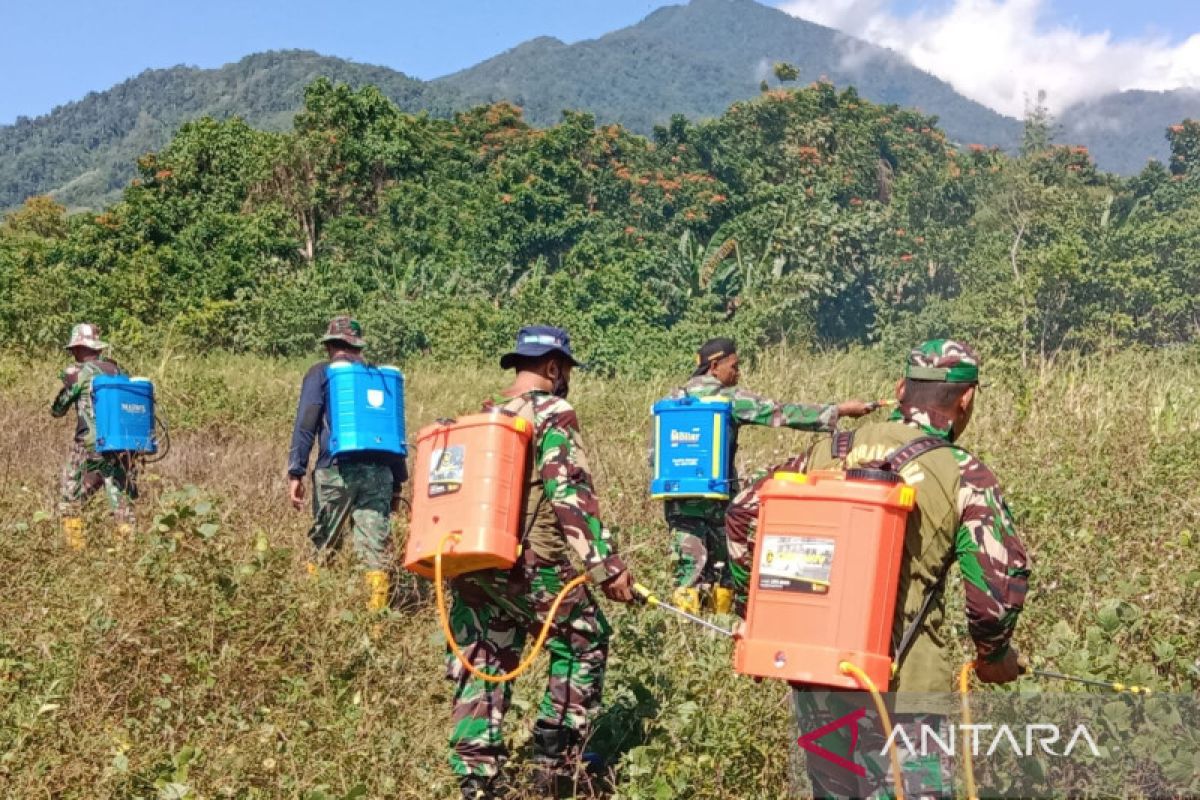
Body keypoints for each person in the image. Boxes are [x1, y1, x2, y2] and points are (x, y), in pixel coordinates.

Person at [725, 339, 1030, 798]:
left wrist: (758, 613)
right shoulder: (962, 472)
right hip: (906, 693)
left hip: (820, 684)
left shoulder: (829, 450)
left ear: (900, 388)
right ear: (966, 399)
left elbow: (744, 511)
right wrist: (993, 656)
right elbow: (994, 593)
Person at [446, 325, 636, 800]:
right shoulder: (553, 411)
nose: (566, 378)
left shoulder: (484, 417)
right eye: (565, 369)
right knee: (586, 638)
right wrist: (605, 565)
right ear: (553, 367)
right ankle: (554, 763)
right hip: (531, 562)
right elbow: (567, 491)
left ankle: (476, 779)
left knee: (483, 654)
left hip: (471, 560)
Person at [661, 337, 872, 614]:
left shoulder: (672, 401)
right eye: (734, 366)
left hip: (678, 499)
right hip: (716, 500)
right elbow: (781, 412)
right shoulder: (728, 399)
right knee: (722, 574)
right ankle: (719, 633)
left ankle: (686, 632)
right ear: (714, 366)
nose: (738, 372)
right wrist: (839, 410)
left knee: (689, 571)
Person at [287, 316, 407, 611]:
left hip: (335, 471)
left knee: (324, 544)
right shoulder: (379, 378)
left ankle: (315, 612)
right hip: (380, 473)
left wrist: (296, 470)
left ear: (329, 346)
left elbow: (307, 423)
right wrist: (398, 483)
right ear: (358, 346)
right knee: (375, 550)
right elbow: (394, 431)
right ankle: (376, 621)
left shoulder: (322, 373)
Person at [51, 322, 136, 547]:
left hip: (88, 446)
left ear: (79, 348)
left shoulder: (81, 373)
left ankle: (75, 551)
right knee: (121, 502)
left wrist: (65, 389)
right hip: (120, 446)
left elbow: (58, 410)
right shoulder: (117, 371)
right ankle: (127, 551)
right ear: (97, 348)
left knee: (70, 497)